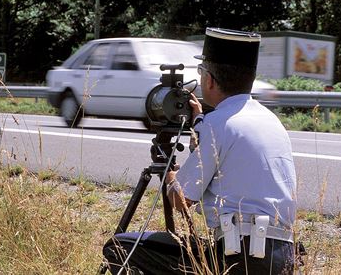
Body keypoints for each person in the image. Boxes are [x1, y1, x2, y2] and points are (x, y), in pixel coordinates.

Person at [103, 27, 297, 274]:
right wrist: (199, 123)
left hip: (237, 258)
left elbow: (181, 199)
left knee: (120, 246)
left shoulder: (218, 125)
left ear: (209, 79)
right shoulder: (271, 120)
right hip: (282, 257)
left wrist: (170, 174)